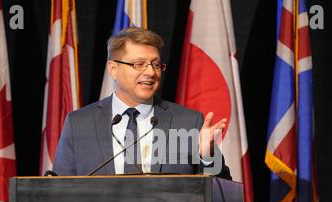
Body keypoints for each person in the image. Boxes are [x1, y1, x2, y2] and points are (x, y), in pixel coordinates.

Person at [53, 27, 231, 179]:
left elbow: (222, 188)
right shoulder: (79, 124)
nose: (151, 72)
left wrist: (208, 157)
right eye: (139, 64)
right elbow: (57, 191)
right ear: (113, 69)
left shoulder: (188, 122)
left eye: (155, 64)